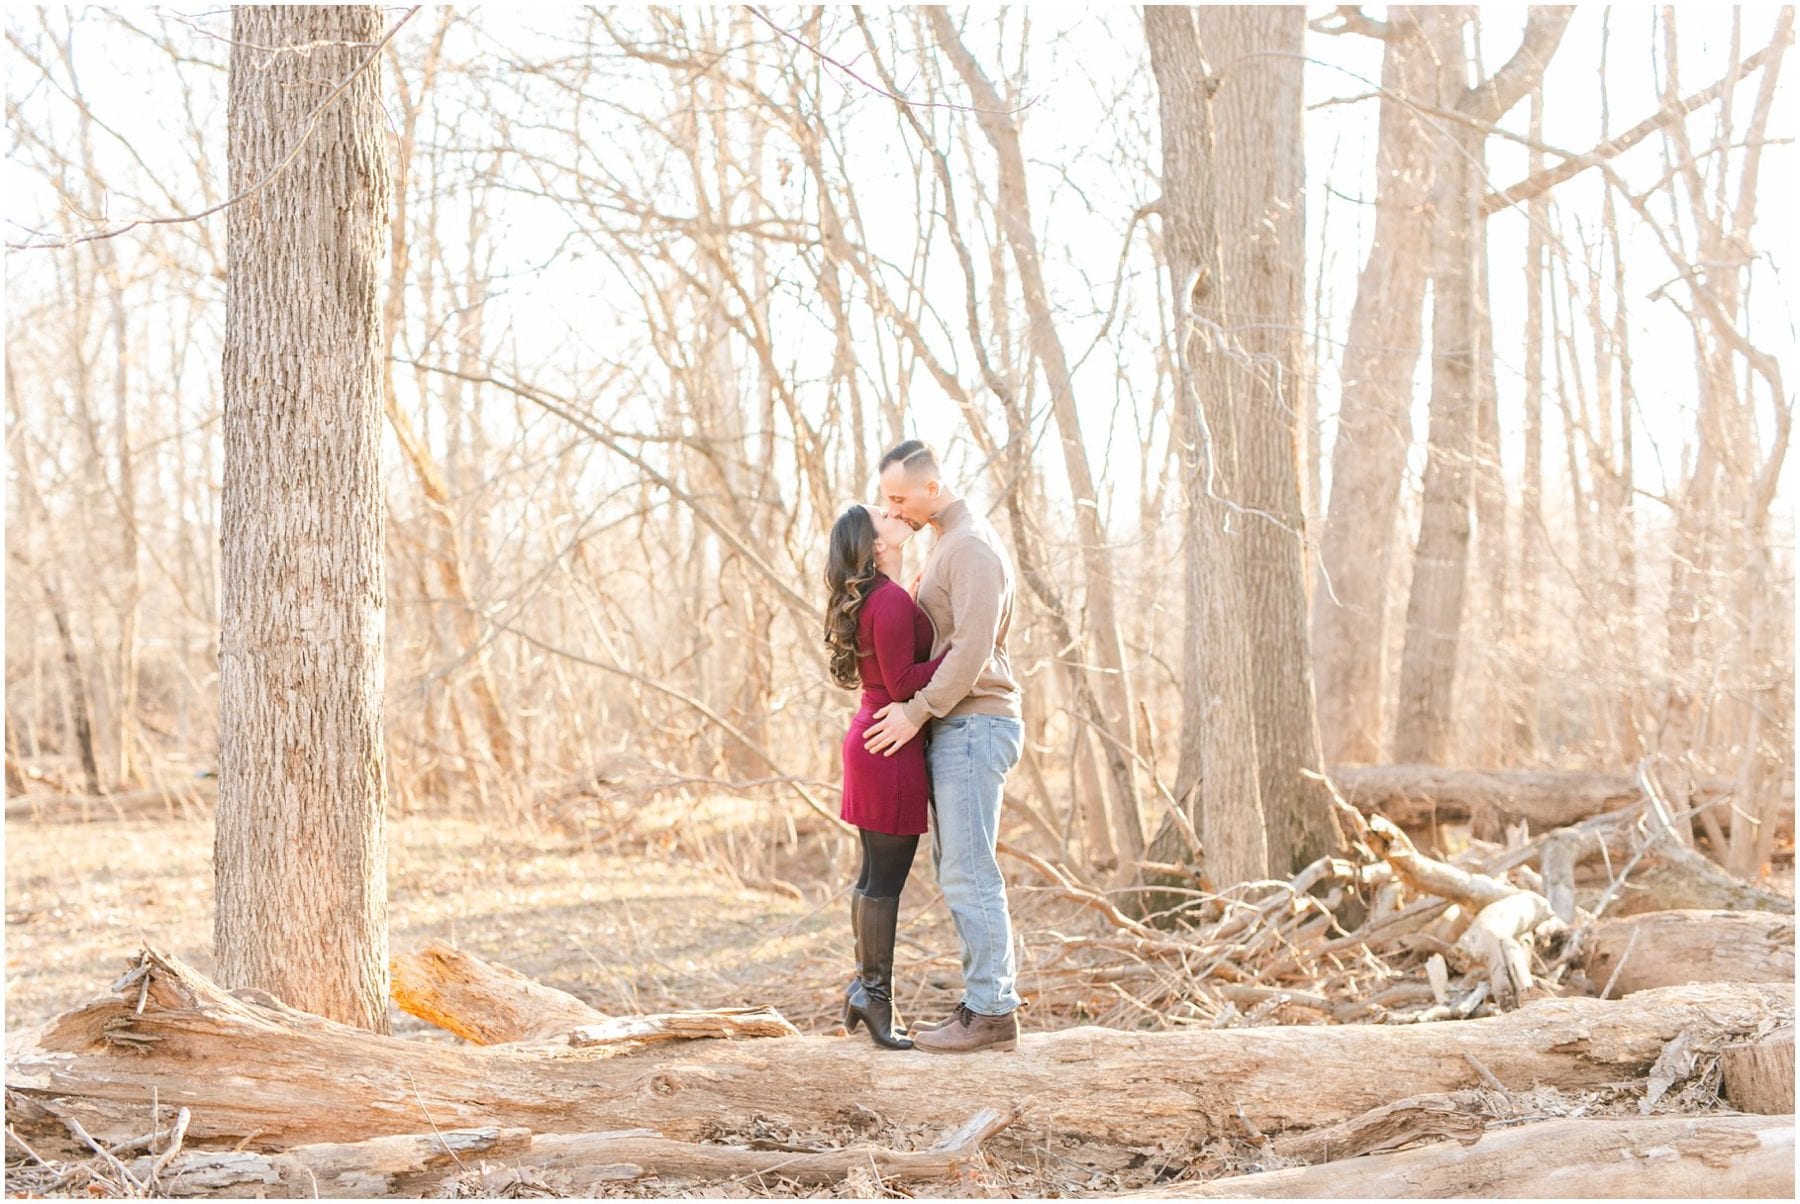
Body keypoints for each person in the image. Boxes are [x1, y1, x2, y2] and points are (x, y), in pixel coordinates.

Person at [862, 439, 1024, 1054]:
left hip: (976, 722)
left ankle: (991, 1011)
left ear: (933, 488)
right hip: (955, 724)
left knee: (969, 868)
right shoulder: (943, 544)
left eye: (900, 498)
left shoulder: (971, 547)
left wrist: (915, 711)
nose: (895, 510)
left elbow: (972, 650)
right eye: (887, 502)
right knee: (957, 867)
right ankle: (984, 1002)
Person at [824, 502, 944, 1050]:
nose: (897, 514)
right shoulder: (890, 601)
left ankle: (863, 988)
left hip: (869, 738)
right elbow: (903, 684)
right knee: (884, 881)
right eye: (885, 517)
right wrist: (965, 654)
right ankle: (875, 997)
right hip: (889, 746)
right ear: (876, 545)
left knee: (873, 876)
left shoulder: (881, 596)